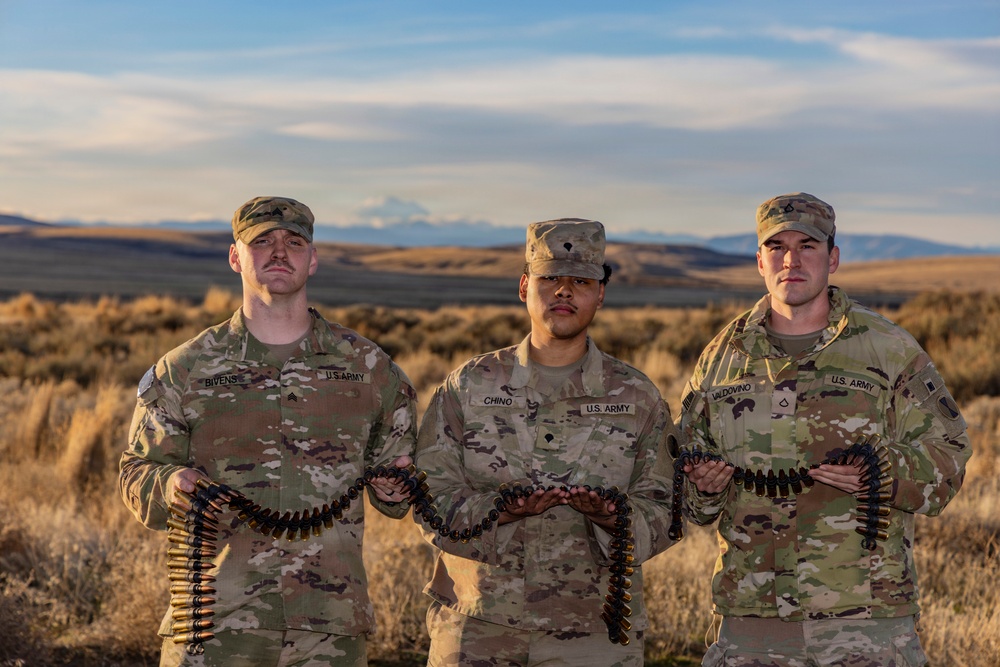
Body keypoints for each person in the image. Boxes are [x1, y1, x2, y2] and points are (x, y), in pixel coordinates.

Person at [118, 196, 418, 667]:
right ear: (236, 256)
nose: (279, 252)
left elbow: (400, 491)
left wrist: (396, 486)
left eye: (294, 242)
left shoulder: (370, 369)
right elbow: (136, 474)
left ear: (312, 259)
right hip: (213, 621)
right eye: (262, 241)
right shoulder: (186, 369)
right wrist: (169, 484)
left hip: (330, 625)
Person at [678, 192, 972, 666]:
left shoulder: (888, 349)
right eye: (776, 246)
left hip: (865, 622)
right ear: (759, 260)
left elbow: (950, 455)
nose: (791, 260)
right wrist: (704, 487)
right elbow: (686, 484)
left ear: (832, 258)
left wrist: (881, 475)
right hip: (753, 620)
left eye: (807, 246)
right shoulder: (722, 356)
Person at [414, 218, 677, 667]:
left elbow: (667, 513)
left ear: (600, 295)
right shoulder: (469, 386)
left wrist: (613, 517)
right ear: (524, 286)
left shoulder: (637, 396)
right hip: (479, 628)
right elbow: (428, 500)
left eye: (581, 281)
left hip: (595, 631)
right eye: (550, 277)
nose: (564, 291)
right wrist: (502, 510)